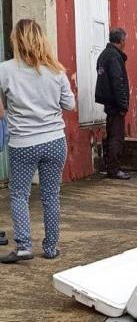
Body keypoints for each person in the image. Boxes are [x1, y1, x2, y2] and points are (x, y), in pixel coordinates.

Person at [0, 19, 75, 263]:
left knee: (19, 194)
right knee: (51, 195)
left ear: (16, 41)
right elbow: (69, 105)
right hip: (54, 141)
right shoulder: (57, 71)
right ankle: (51, 248)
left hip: (23, 143)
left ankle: (23, 246)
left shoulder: (6, 70)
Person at [95, 28, 130, 180]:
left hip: (109, 101)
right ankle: (114, 169)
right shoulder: (114, 57)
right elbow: (118, 82)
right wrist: (123, 104)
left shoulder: (104, 55)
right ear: (121, 41)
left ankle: (111, 167)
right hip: (115, 103)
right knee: (116, 136)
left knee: (112, 135)